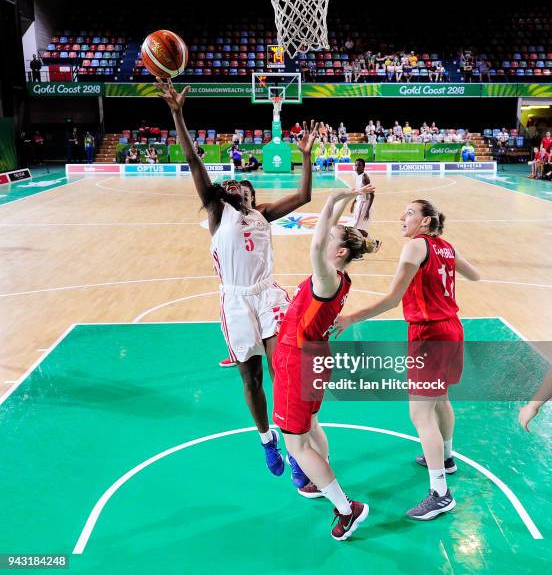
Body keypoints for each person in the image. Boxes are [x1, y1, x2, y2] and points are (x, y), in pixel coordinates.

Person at [155, 78, 317, 474]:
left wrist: (307, 156)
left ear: (250, 193)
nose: (234, 187)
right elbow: (194, 160)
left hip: (267, 296)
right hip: (235, 300)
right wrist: (177, 112)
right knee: (252, 379)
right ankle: (268, 442)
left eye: (241, 185)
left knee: (282, 370)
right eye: (229, 185)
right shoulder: (217, 213)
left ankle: (295, 446)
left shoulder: (263, 214)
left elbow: (305, 197)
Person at [335, 200, 480, 520]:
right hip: (452, 329)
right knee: (440, 399)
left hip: (429, 335)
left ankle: (440, 493)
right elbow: (475, 275)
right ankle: (446, 458)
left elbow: (393, 297)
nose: (402, 217)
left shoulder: (416, 246)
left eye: (410, 213)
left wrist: (352, 318)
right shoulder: (446, 247)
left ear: (426, 222)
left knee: (420, 413)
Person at [272, 187, 375, 540]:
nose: (322, 233)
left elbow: (316, 245)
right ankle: (320, 480)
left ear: (341, 251)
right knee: (311, 425)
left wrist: (332, 201)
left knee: (296, 443)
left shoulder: (327, 277)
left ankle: (347, 509)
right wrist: (343, 201)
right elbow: (325, 236)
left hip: (298, 359)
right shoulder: (339, 277)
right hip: (315, 356)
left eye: (330, 235)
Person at [350, 158, 381, 253]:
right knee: (359, 228)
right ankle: (375, 242)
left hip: (364, 204)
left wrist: (367, 210)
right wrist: (353, 202)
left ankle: (357, 250)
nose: (357, 167)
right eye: (356, 165)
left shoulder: (365, 177)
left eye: (359, 165)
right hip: (359, 203)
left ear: (363, 167)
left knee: (355, 228)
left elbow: (372, 194)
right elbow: (359, 192)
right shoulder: (358, 176)